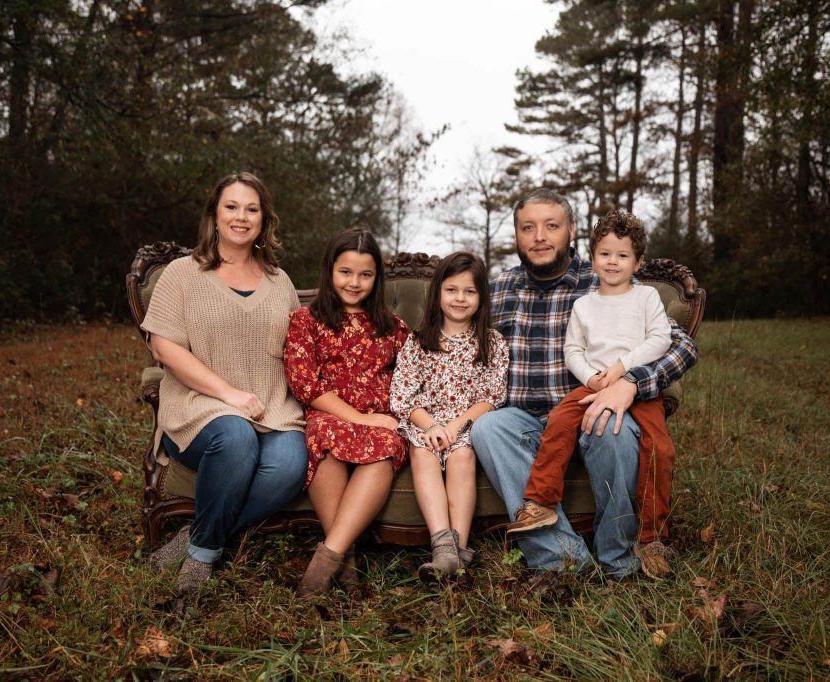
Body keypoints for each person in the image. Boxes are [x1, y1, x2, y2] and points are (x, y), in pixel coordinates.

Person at [470, 189, 697, 580]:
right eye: (528, 228)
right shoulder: (498, 290)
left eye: (551, 226)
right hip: (522, 419)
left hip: (589, 409)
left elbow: (680, 345)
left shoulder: (606, 279)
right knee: (488, 428)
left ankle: (618, 558)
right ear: (517, 235)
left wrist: (631, 384)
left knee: (611, 425)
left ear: (571, 230)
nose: (540, 237)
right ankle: (563, 559)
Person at [142, 172, 308, 594]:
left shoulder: (280, 282)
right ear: (214, 216)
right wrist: (229, 395)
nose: (241, 217)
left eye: (251, 209)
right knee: (235, 436)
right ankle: (202, 559)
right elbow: (164, 348)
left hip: (273, 410)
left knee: (291, 465)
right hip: (199, 409)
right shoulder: (182, 274)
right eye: (231, 207)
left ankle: (196, 536)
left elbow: (299, 350)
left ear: (264, 219)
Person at [283, 228, 411, 596]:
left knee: (384, 443)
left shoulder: (392, 326)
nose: (355, 283)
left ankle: (325, 564)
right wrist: (358, 418)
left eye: (365, 274)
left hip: (380, 418)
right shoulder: (306, 321)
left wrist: (379, 419)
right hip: (330, 414)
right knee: (323, 437)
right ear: (329, 271)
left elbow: (415, 375)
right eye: (346, 272)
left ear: (377, 277)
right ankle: (348, 564)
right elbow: (304, 384)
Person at [390, 252, 509, 582]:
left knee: (462, 456)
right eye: (452, 290)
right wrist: (431, 426)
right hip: (426, 424)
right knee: (422, 453)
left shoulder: (492, 342)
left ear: (481, 297)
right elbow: (402, 397)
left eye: (469, 291)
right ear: (438, 292)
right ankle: (444, 549)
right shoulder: (419, 341)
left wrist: (455, 427)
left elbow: (492, 397)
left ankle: (459, 550)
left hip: (468, 424)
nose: (460, 298)